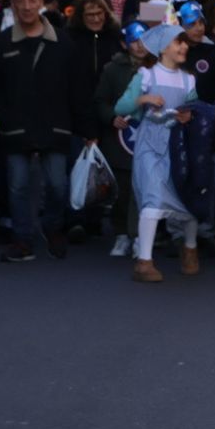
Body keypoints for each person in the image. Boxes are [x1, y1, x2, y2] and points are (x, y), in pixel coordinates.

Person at [0, 0, 93, 263]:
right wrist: (3, 116)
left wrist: (87, 127)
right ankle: (23, 238)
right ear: (13, 5)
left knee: (57, 184)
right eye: (21, 2)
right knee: (17, 185)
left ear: (41, 3)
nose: (27, 7)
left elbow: (78, 87)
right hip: (16, 127)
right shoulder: (0, 44)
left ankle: (52, 227)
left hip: (56, 124)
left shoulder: (63, 43)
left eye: (32, 1)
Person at [114, 24, 200, 283]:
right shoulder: (146, 76)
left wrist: (189, 116)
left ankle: (190, 247)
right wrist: (143, 100)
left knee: (186, 199)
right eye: (178, 42)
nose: (184, 46)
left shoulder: (189, 80)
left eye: (184, 42)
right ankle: (145, 260)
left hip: (178, 145)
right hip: (150, 144)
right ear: (164, 48)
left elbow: (194, 111)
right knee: (152, 196)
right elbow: (121, 106)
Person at [97, 21, 150, 258]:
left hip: (148, 139)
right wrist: (111, 117)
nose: (139, 46)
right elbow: (100, 101)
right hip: (120, 142)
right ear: (124, 43)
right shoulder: (113, 70)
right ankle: (121, 234)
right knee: (123, 189)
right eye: (134, 41)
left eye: (143, 40)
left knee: (143, 190)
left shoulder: (157, 66)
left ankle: (140, 235)